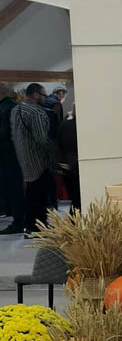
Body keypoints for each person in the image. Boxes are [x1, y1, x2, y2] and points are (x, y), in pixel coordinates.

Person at [10, 83, 56, 234]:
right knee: (40, 196)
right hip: (39, 160)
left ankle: (31, 226)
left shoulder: (16, 110)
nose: (46, 98)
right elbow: (42, 139)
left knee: (31, 195)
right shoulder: (36, 112)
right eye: (44, 95)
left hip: (23, 159)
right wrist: (54, 151)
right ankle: (38, 227)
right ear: (36, 95)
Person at [0, 84, 26, 234]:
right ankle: (19, 220)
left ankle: (18, 222)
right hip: (14, 153)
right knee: (14, 189)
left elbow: (4, 133)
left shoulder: (6, 108)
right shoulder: (13, 106)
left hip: (8, 155)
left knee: (13, 189)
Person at [56, 106, 80, 212]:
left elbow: (58, 145)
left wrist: (59, 164)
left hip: (67, 167)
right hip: (78, 166)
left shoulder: (64, 125)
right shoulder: (84, 127)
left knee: (75, 200)